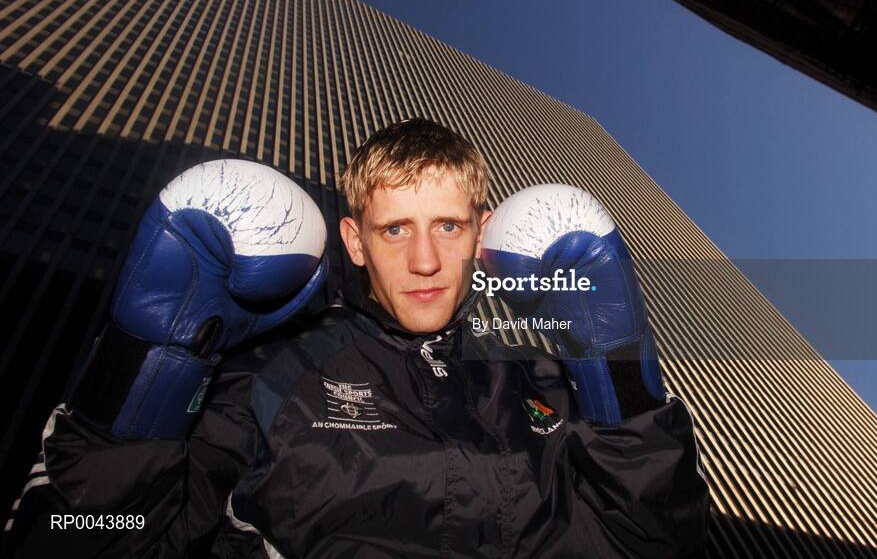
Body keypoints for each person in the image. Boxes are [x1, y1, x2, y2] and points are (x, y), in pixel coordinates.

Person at [2, 118, 709, 558]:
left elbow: (654, 543)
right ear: (355, 240)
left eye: (448, 227)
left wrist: (618, 378)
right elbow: (76, 539)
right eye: (395, 228)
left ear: (484, 235)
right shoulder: (273, 374)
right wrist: (147, 370)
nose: (425, 261)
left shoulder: (548, 382)